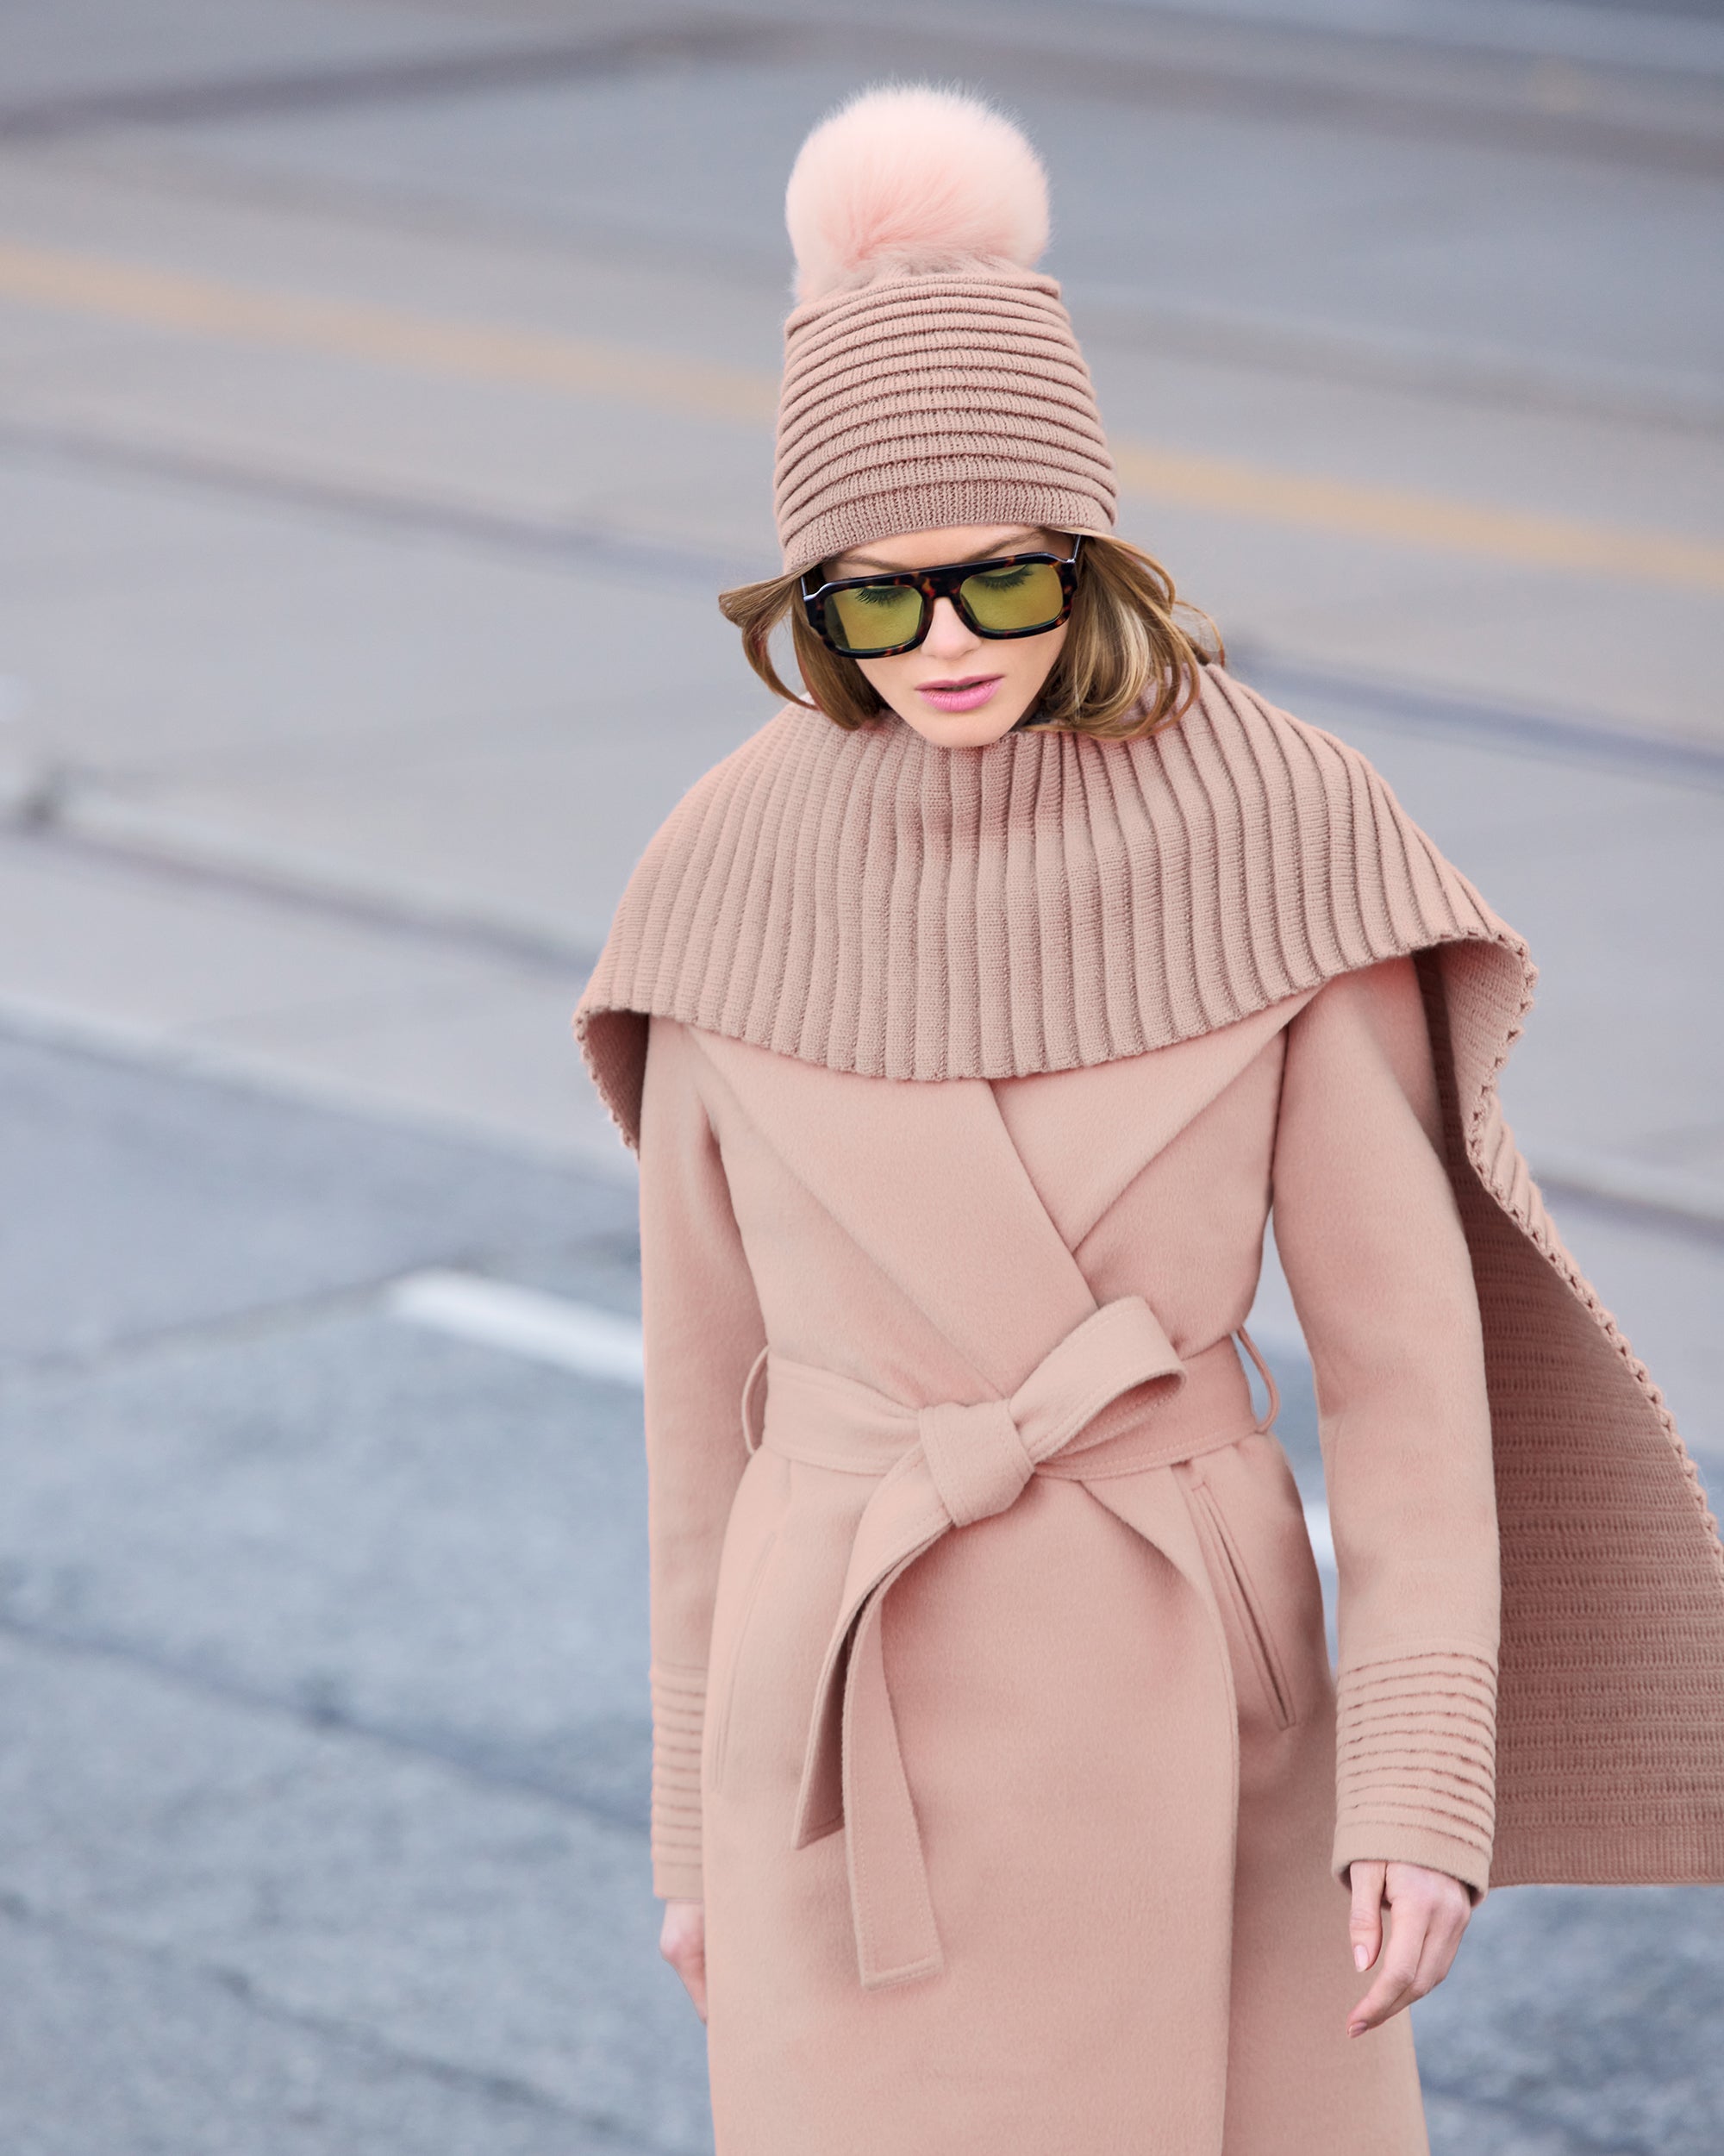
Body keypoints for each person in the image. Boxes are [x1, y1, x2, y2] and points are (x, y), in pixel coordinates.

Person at [574, 84, 1724, 2156]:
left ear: (1092, 559)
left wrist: (1419, 1782)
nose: (938, 646)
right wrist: (691, 1808)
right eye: (868, 599)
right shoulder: (717, 869)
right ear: (802, 608)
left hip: (1194, 1686)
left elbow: (1401, 1388)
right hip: (837, 1717)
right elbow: (700, 1406)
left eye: (1000, 588)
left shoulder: (1278, 834)